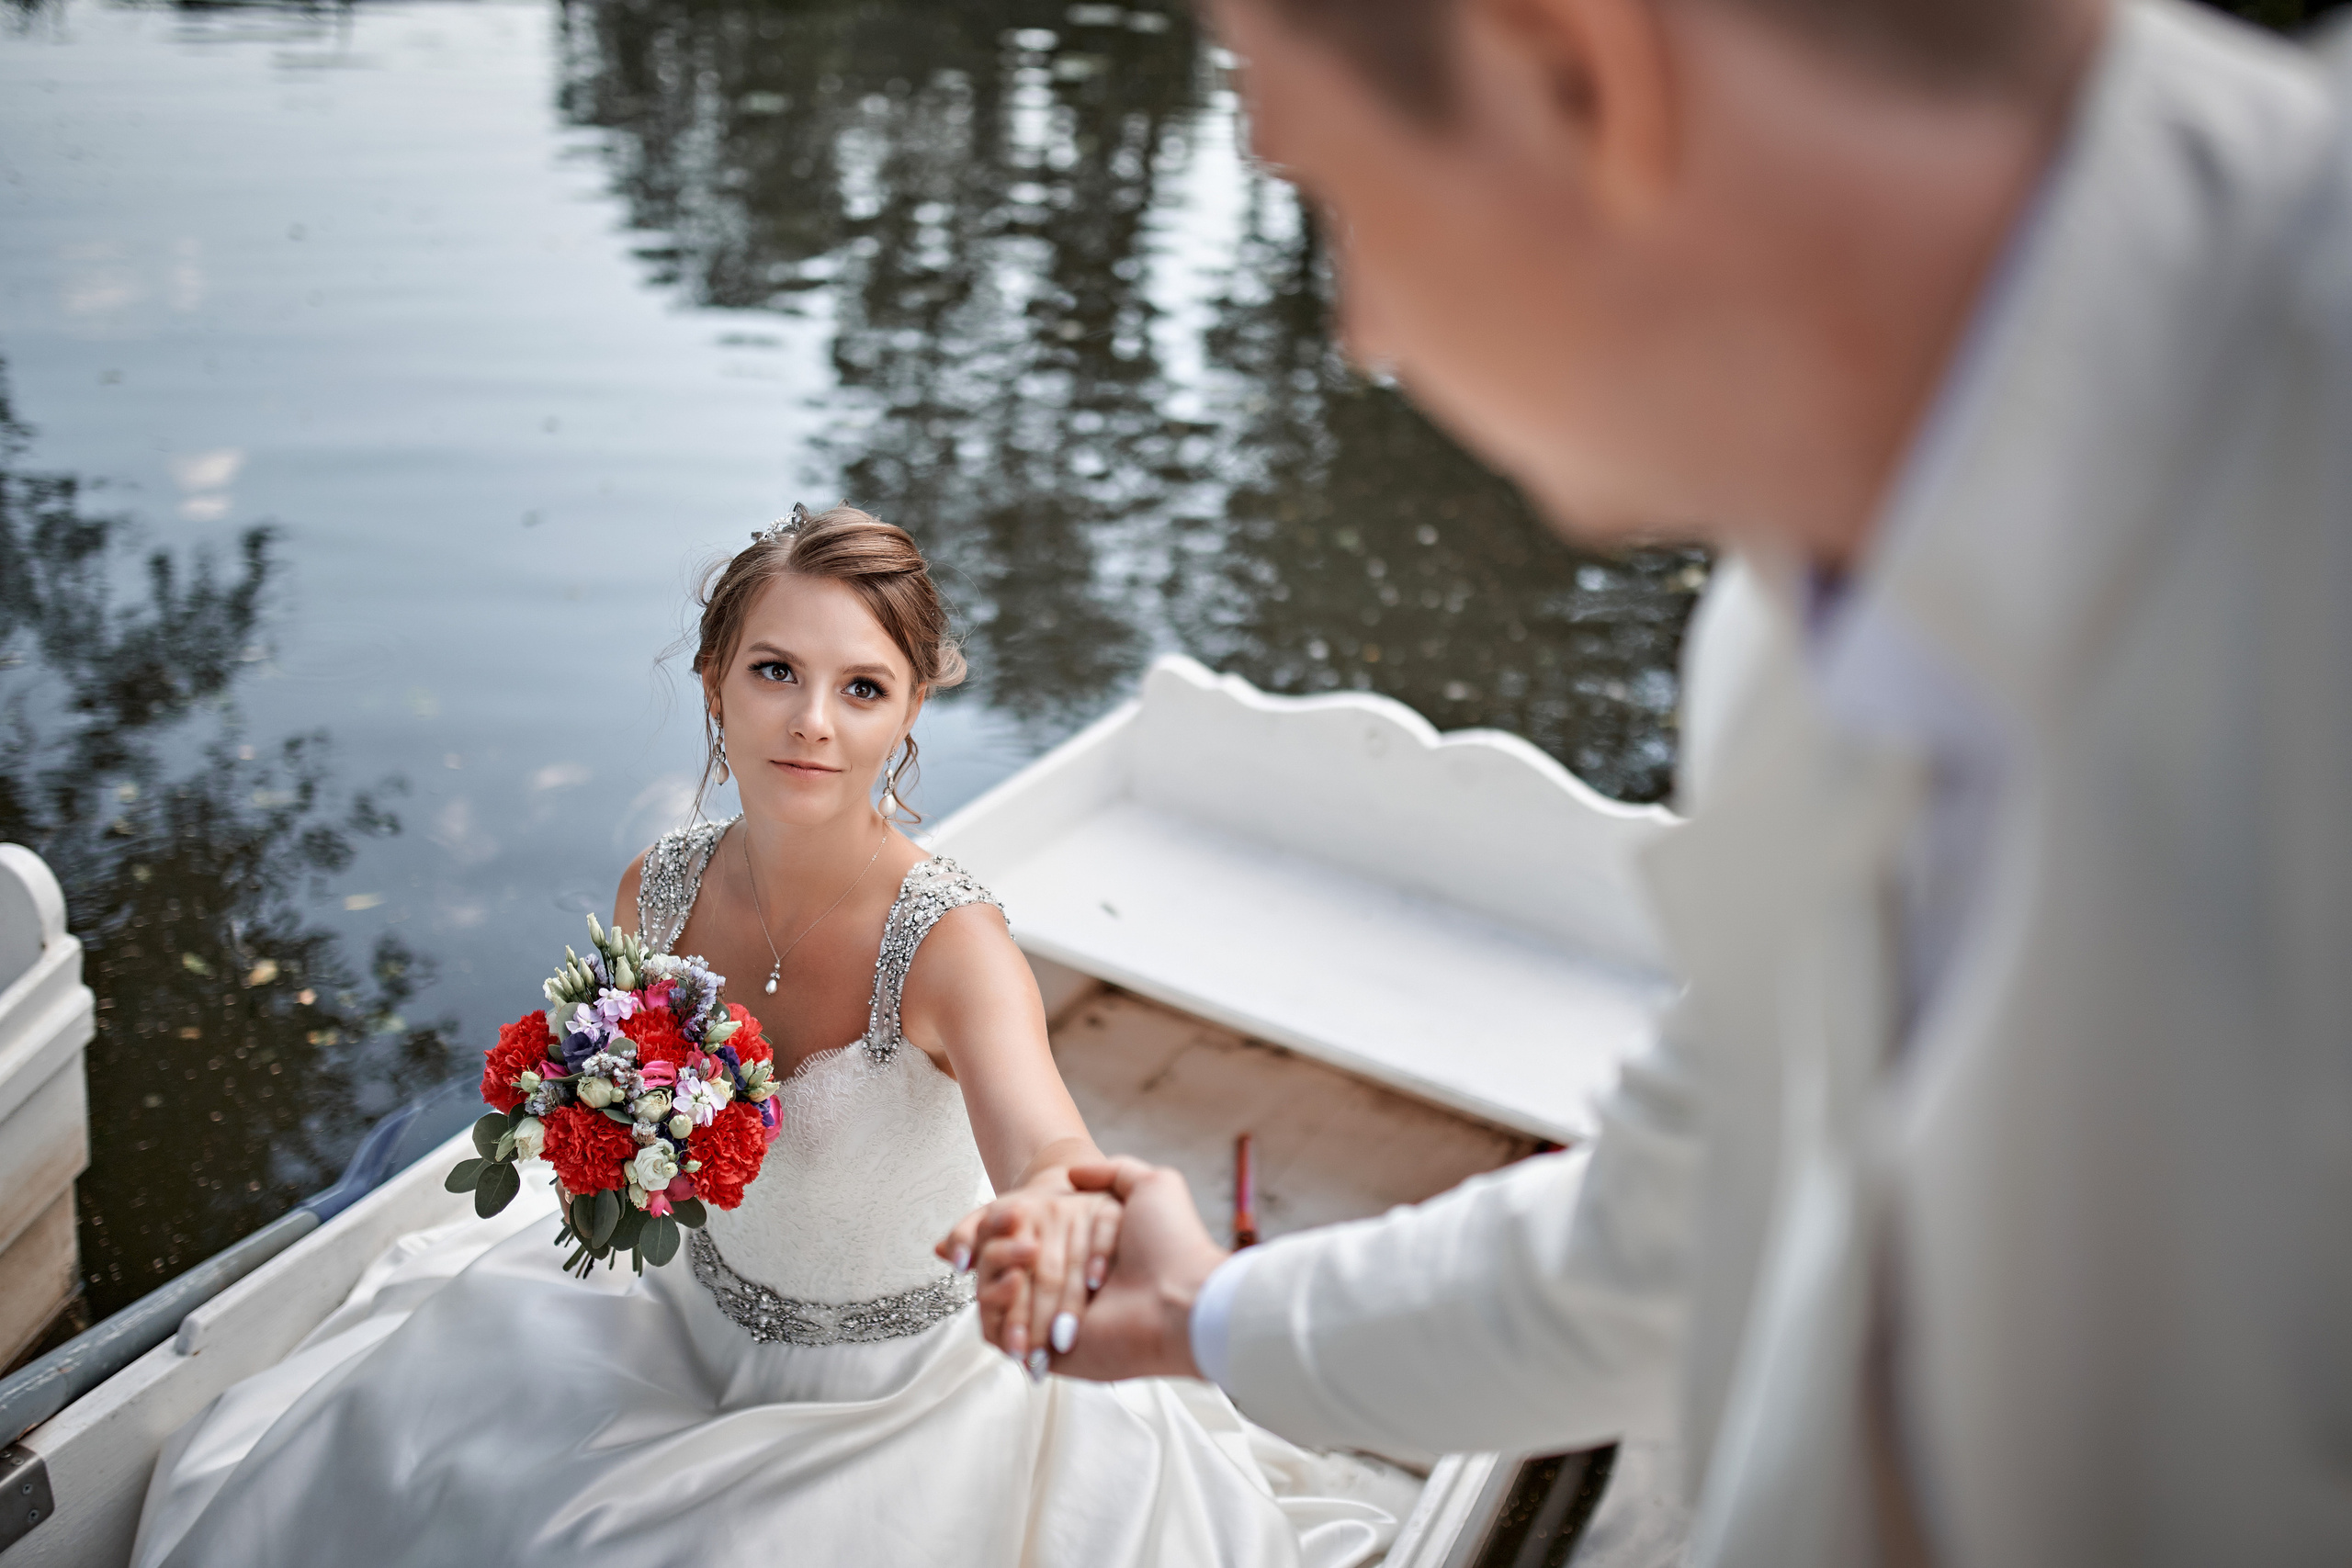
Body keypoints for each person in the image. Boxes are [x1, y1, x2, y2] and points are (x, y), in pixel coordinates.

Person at [957, 0, 2352, 1562]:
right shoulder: (1791, 594)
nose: (1361, 332)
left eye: (1333, 194)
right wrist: (1214, 1314)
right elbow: (1692, 1211)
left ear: (1571, 65)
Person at [131, 507, 1415, 1568]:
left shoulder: (951, 943)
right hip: (681, 1321)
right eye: (776, 672)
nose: (813, 721)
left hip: (899, 1398)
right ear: (716, 683)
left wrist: (1067, 1208)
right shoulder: (662, 889)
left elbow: (1047, 1144)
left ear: (908, 713)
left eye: (862, 688)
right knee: (412, 1429)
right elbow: (624, 1128)